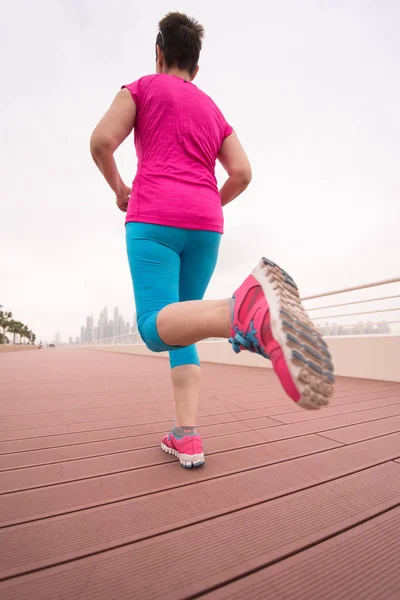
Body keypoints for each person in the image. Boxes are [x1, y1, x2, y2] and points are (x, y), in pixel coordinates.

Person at [90, 12, 334, 469]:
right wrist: (211, 202)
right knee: (185, 323)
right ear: (196, 68)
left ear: (158, 52)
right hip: (205, 226)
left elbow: (101, 141)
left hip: (154, 217)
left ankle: (240, 310)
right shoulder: (212, 109)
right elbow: (242, 172)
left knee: (153, 327)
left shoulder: (141, 87)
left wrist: (120, 188)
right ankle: (186, 435)